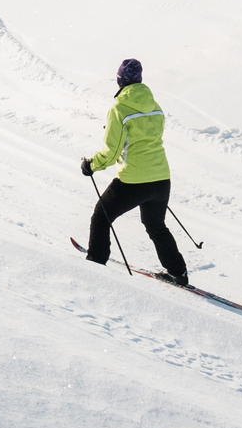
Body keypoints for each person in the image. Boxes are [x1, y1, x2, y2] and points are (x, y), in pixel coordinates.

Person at [81, 58, 189, 286]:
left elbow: (112, 152)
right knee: (156, 225)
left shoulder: (119, 108)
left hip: (133, 181)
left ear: (120, 81)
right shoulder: (155, 107)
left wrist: (91, 165)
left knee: (102, 216)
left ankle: (95, 264)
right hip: (161, 179)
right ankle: (178, 273)